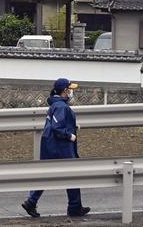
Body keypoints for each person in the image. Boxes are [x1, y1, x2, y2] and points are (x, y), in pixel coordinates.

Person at [21, 78, 91, 218]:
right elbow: (57, 127)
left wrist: (72, 125)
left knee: (48, 174)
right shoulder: (62, 106)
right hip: (59, 145)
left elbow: (56, 122)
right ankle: (74, 207)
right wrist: (69, 135)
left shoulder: (56, 104)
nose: (72, 91)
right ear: (65, 90)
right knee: (72, 174)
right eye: (70, 89)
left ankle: (32, 201)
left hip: (49, 143)